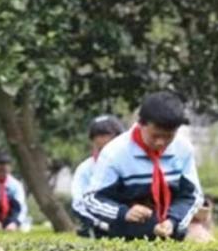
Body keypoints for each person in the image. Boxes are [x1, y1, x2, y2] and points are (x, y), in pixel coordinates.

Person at [83, 91, 203, 240]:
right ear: (141, 124)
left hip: (172, 237)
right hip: (125, 240)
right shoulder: (115, 153)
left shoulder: (183, 149)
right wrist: (124, 212)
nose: (161, 142)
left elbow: (193, 196)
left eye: (168, 136)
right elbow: (92, 199)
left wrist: (173, 221)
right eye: (155, 135)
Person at [70, 115, 125, 237]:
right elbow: (78, 202)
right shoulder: (85, 169)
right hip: (100, 229)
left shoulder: (131, 164)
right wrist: (100, 223)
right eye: (97, 137)